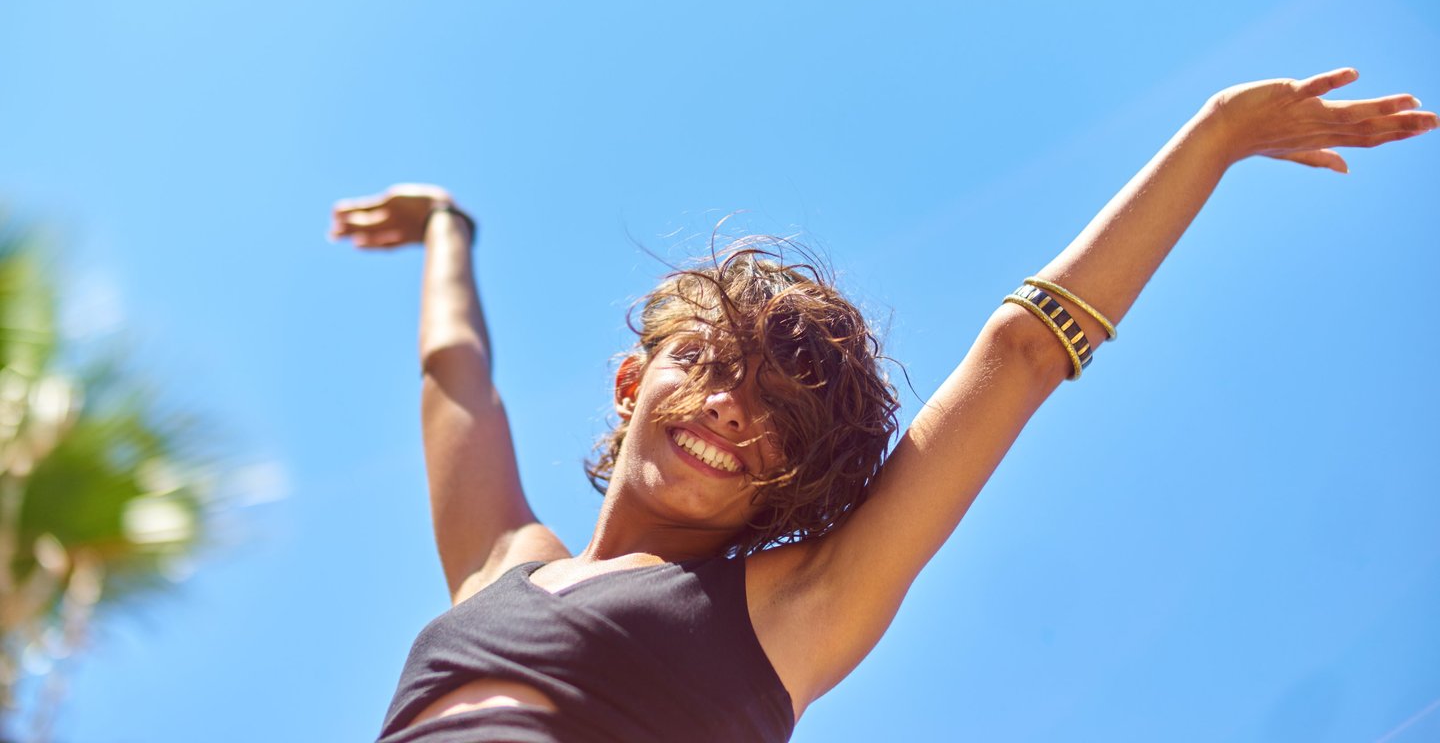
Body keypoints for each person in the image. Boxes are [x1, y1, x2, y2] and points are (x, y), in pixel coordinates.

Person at [329, 68, 1433, 743]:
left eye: (777, 418)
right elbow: (455, 376)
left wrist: (1216, 137)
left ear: (790, 478)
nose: (730, 412)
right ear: (633, 381)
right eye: (712, 370)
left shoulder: (794, 607)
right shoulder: (502, 566)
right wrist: (448, 232)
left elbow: (1020, 355)